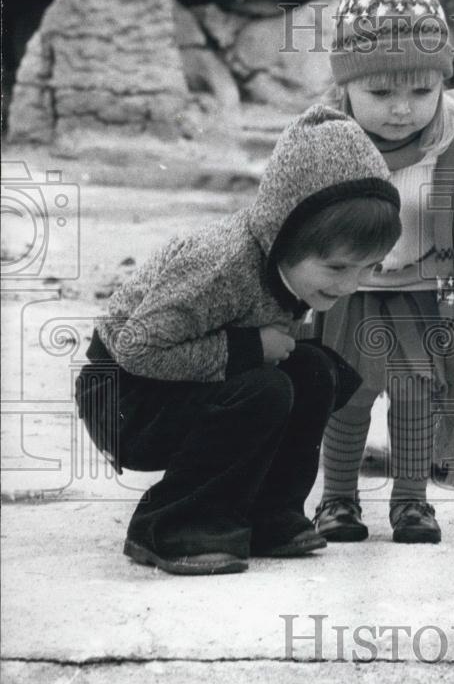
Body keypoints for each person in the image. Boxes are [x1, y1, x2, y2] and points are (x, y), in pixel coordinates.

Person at [75, 105, 401, 575]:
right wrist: (250, 349)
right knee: (265, 387)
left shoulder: (284, 264)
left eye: (368, 268)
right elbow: (136, 347)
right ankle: (172, 525)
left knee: (313, 371)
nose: (351, 285)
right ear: (283, 232)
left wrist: (259, 350)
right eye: (336, 267)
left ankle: (263, 514)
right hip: (122, 396)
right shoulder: (221, 265)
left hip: (174, 383)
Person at [312, 0, 454, 546]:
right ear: (346, 85)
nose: (402, 108)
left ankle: (411, 503)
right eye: (380, 90)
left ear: (442, 82)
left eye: (421, 89)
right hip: (347, 293)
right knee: (344, 396)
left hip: (424, 294)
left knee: (415, 397)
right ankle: (337, 500)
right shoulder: (322, 139)